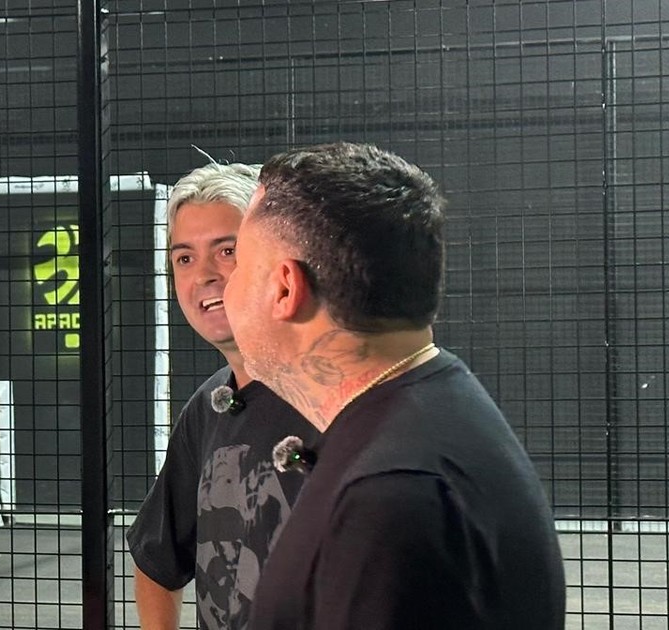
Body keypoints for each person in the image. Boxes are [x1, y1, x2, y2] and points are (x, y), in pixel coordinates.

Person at [223, 142, 566, 629]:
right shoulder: (430, 416)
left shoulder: (390, 498)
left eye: (238, 262)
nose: (225, 286)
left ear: (284, 288)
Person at [126, 162, 319, 630]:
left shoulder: (337, 398)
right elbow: (156, 559)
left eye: (227, 250)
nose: (204, 276)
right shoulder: (208, 405)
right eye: (184, 259)